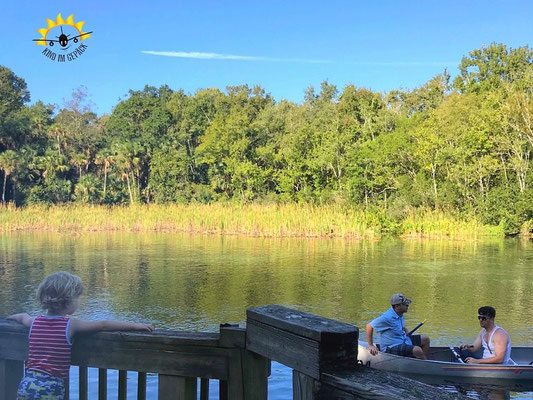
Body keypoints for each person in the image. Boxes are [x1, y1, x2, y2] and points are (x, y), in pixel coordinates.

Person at [7, 271, 154, 400]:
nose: (79, 301)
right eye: (77, 297)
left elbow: (22, 317)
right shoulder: (70, 325)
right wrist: (136, 325)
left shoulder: (35, 322)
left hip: (27, 383)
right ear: (67, 301)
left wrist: (11, 317)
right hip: (50, 387)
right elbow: (104, 325)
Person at [366, 293, 430, 359]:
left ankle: (424, 361)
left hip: (403, 340)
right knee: (417, 350)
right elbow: (369, 326)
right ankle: (427, 366)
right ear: (397, 306)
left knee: (425, 339)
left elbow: (399, 326)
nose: (407, 305)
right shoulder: (387, 317)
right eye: (405, 304)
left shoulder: (400, 313)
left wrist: (405, 330)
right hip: (391, 347)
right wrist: (371, 345)